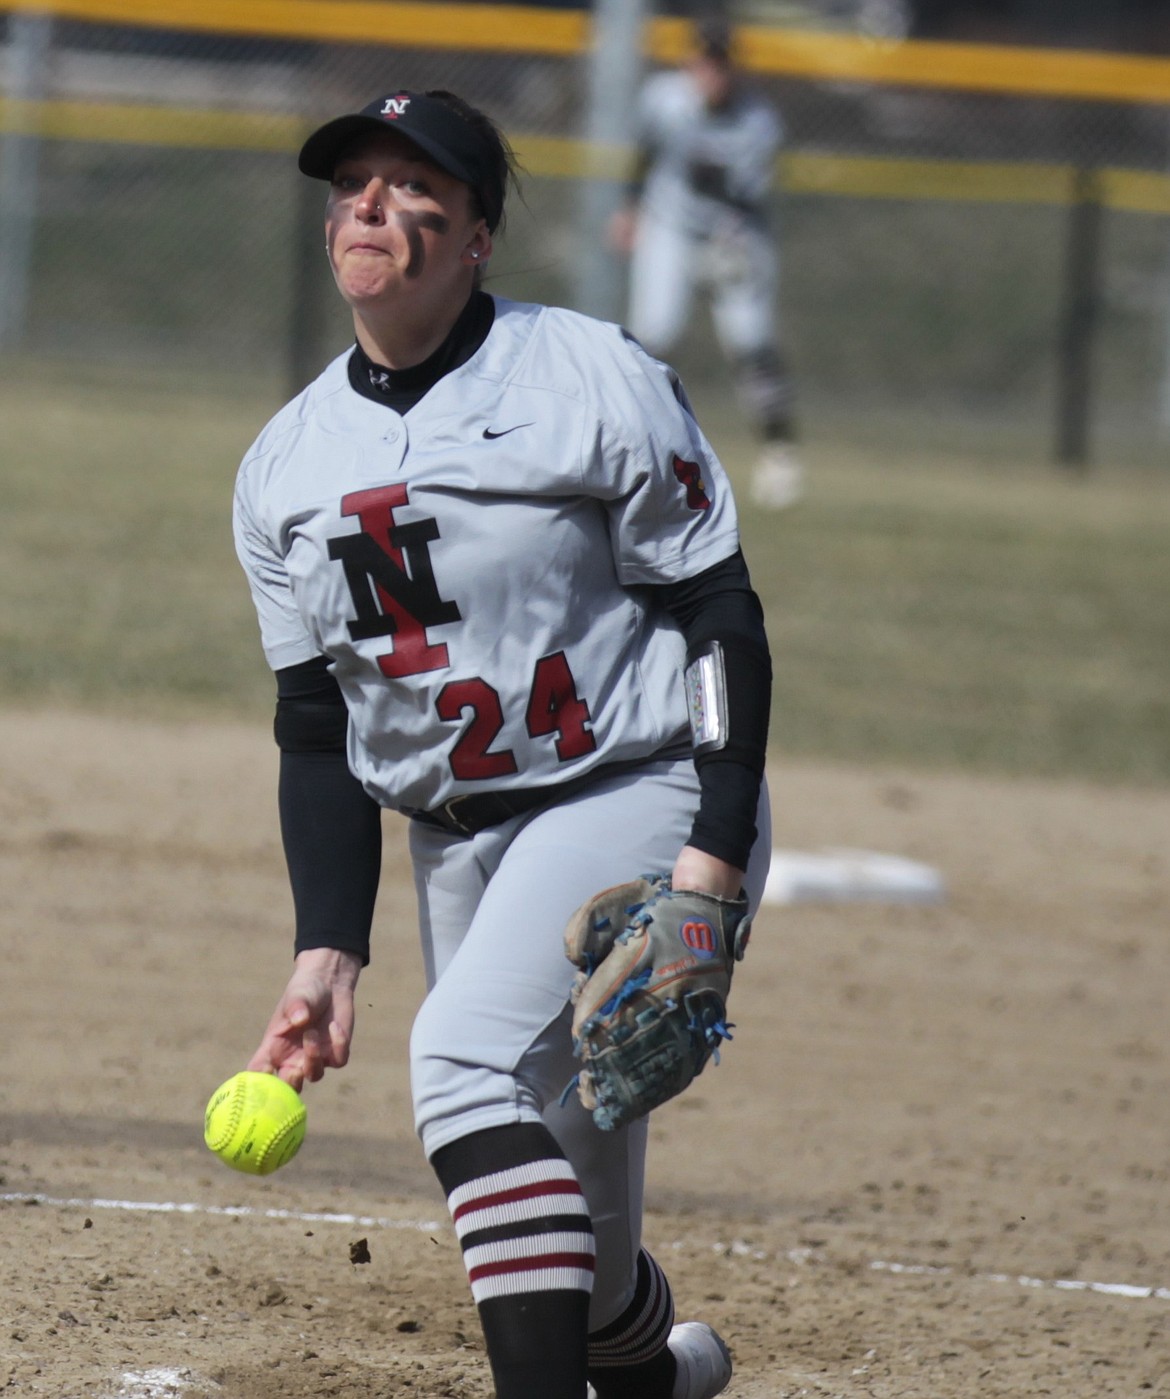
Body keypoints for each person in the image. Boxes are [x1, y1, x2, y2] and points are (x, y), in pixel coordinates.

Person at [232, 86, 773, 1399]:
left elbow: (716, 614)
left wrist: (708, 854)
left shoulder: (590, 374)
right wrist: (328, 941)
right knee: (579, 1261)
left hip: (634, 791)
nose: (371, 202)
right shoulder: (284, 464)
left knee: (463, 1062)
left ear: (477, 236)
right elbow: (318, 732)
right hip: (458, 844)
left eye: (415, 184)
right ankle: (650, 1375)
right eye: (352, 179)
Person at [607, 15, 803, 510]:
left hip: (732, 236)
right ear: (690, 63)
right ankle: (628, 446)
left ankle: (780, 453)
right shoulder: (664, 98)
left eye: (720, 63)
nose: (712, 73)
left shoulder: (759, 122)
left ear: (734, 68)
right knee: (652, 338)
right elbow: (644, 154)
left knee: (751, 344)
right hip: (670, 228)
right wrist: (629, 209)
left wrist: (731, 248)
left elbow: (746, 198)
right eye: (704, 62)